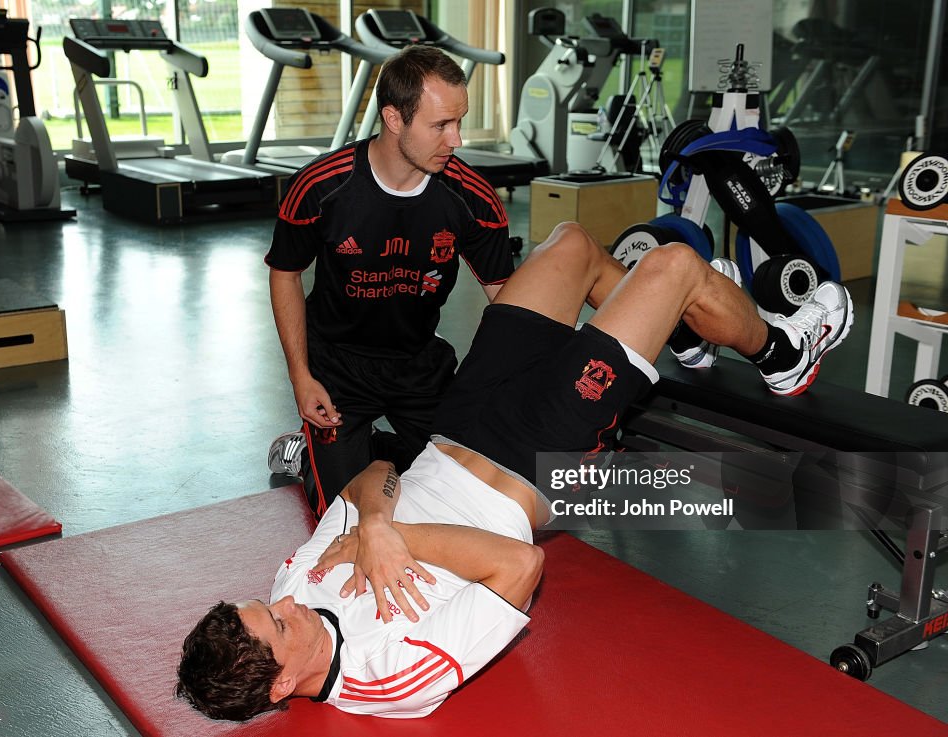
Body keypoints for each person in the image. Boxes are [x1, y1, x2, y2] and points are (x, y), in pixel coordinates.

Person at [176, 222, 853, 721]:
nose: (286, 598)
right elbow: (519, 568)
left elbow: (374, 474)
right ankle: (782, 350)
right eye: (279, 622)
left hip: (460, 423)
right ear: (280, 684)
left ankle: (679, 329)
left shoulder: (293, 586)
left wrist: (380, 521)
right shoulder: (391, 674)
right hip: (536, 459)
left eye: (267, 603)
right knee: (673, 264)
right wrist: (400, 543)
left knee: (572, 247)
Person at [265, 44, 515, 519]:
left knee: (472, 491)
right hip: (336, 365)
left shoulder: (472, 199)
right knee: (343, 519)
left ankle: (376, 447)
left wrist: (504, 387)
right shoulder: (321, 187)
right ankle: (310, 456)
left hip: (420, 364)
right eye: (441, 125)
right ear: (394, 118)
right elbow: (286, 273)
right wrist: (301, 377)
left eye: (459, 122)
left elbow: (507, 299)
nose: (456, 140)